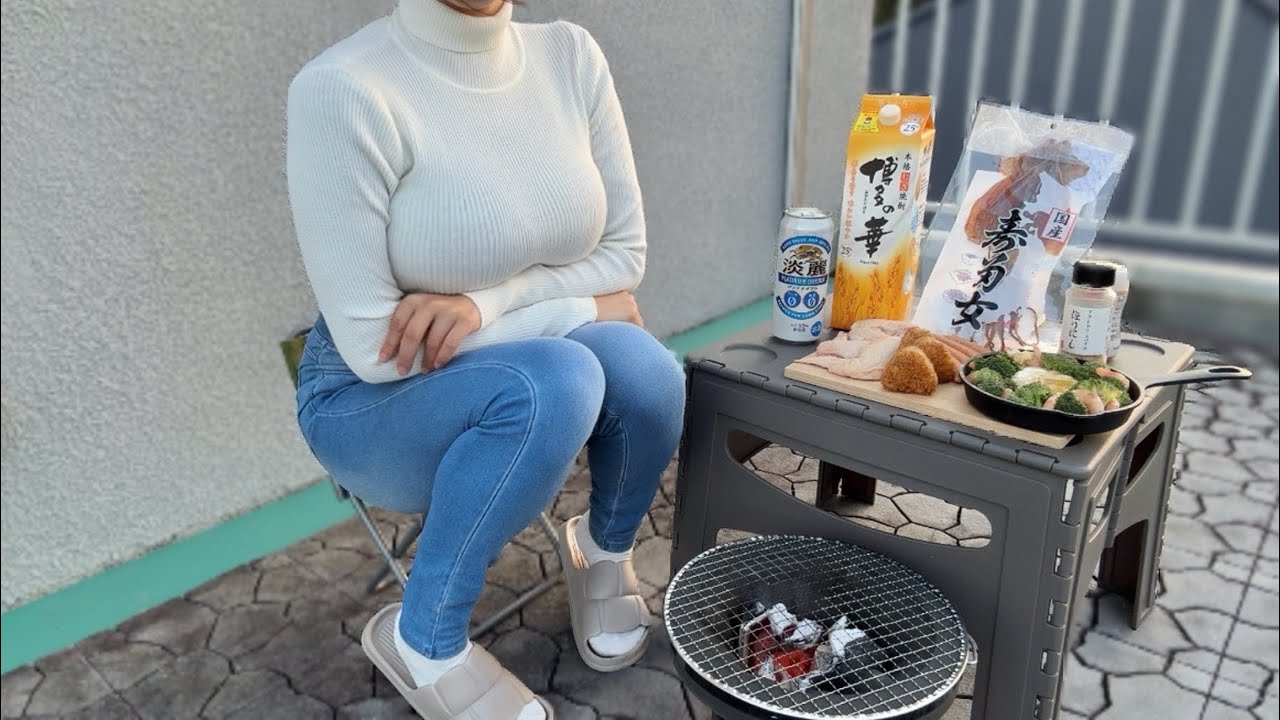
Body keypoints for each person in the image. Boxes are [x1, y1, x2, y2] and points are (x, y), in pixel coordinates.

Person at [284, 0, 685, 716]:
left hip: (513, 355)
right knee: (557, 381)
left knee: (648, 371)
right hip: (372, 398)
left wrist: (488, 304)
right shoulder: (343, 88)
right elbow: (373, 348)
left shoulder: (570, 57)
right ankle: (425, 640)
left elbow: (623, 256)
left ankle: (603, 549)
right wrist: (586, 306)